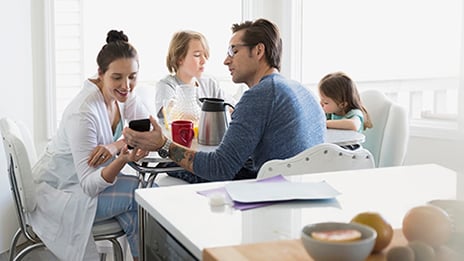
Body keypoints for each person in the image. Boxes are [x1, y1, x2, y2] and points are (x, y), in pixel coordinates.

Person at [124, 18, 326, 183]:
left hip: (268, 195)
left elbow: (220, 167)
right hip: (303, 195)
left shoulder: (260, 95)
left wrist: (164, 145)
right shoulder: (303, 91)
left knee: (165, 169)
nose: (226, 60)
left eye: (233, 51)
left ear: (258, 51)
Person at [31, 30, 148, 261]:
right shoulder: (84, 113)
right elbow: (88, 186)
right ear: (100, 74)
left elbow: (148, 131)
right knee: (144, 199)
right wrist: (123, 158)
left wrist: (116, 146)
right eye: (117, 77)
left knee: (139, 208)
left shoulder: (121, 94)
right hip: (64, 194)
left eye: (132, 76)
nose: (126, 85)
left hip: (86, 186)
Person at [155, 30, 234, 124]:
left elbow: (231, 107)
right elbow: (173, 115)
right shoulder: (166, 85)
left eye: (205, 55)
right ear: (180, 59)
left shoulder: (209, 83)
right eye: (197, 55)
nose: (203, 61)